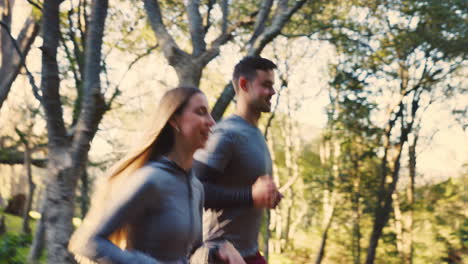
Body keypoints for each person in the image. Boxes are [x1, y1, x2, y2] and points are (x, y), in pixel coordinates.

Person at [68, 87, 245, 264]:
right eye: (201, 112)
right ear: (175, 120)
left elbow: (190, 253)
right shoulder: (151, 179)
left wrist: (215, 252)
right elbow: (85, 241)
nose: (212, 122)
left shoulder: (196, 186)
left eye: (210, 114)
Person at [191, 57, 282, 264]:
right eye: (266, 85)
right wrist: (250, 196)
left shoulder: (255, 134)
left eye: (273, 85)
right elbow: (193, 190)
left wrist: (267, 196)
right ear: (243, 85)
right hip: (219, 256)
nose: (273, 92)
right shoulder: (225, 133)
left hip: (250, 254)